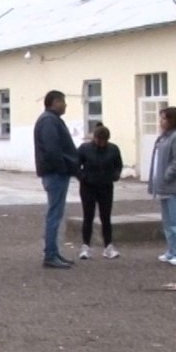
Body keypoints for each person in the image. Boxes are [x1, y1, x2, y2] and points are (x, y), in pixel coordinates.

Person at [34, 90, 80, 269]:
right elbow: (53, 149)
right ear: (54, 102)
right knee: (54, 214)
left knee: (56, 213)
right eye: (63, 101)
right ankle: (51, 254)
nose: (65, 105)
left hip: (56, 172)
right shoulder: (49, 121)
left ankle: (54, 252)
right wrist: (64, 168)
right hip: (55, 173)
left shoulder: (51, 120)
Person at [147, 106, 176, 266]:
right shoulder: (164, 137)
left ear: (172, 120)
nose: (161, 121)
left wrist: (167, 175)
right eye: (161, 118)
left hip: (174, 186)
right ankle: (172, 250)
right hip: (164, 186)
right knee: (168, 222)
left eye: (164, 118)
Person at [76, 123, 123, 259]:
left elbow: (118, 165)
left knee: (106, 217)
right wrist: (82, 177)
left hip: (106, 186)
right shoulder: (85, 149)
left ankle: (108, 246)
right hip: (88, 187)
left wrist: (115, 175)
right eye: (99, 140)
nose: (101, 143)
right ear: (94, 138)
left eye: (104, 141)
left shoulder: (113, 149)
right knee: (88, 216)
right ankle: (85, 246)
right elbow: (76, 165)